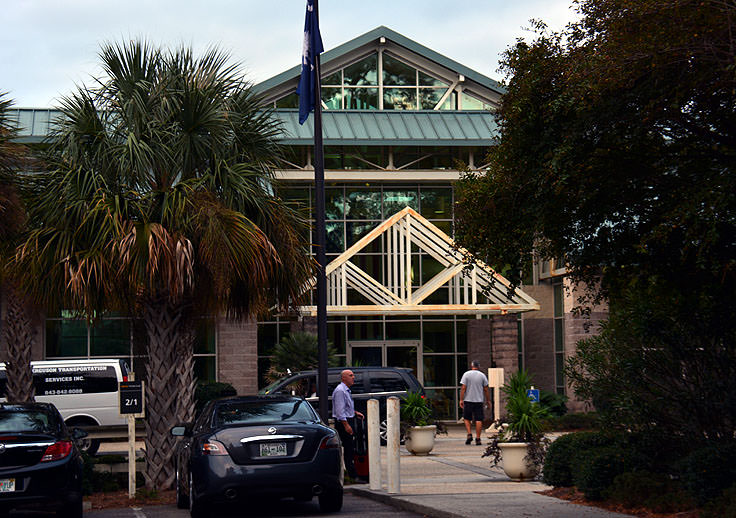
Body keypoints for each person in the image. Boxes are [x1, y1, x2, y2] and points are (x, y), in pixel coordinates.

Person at [332, 369, 365, 479]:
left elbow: (346, 407)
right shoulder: (340, 391)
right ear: (344, 378)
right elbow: (340, 411)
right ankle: (352, 475)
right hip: (343, 423)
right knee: (348, 449)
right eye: (350, 375)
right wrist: (346, 425)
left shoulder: (346, 390)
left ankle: (353, 473)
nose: (353, 377)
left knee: (350, 448)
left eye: (353, 375)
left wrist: (355, 413)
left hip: (348, 419)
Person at [459, 360, 491, 445]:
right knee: (478, 419)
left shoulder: (466, 374)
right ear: (479, 366)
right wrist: (488, 400)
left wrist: (461, 399)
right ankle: (478, 438)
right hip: (479, 401)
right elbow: (486, 389)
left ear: (471, 365)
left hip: (468, 400)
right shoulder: (482, 375)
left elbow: (463, 388)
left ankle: (469, 434)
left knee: (466, 418)